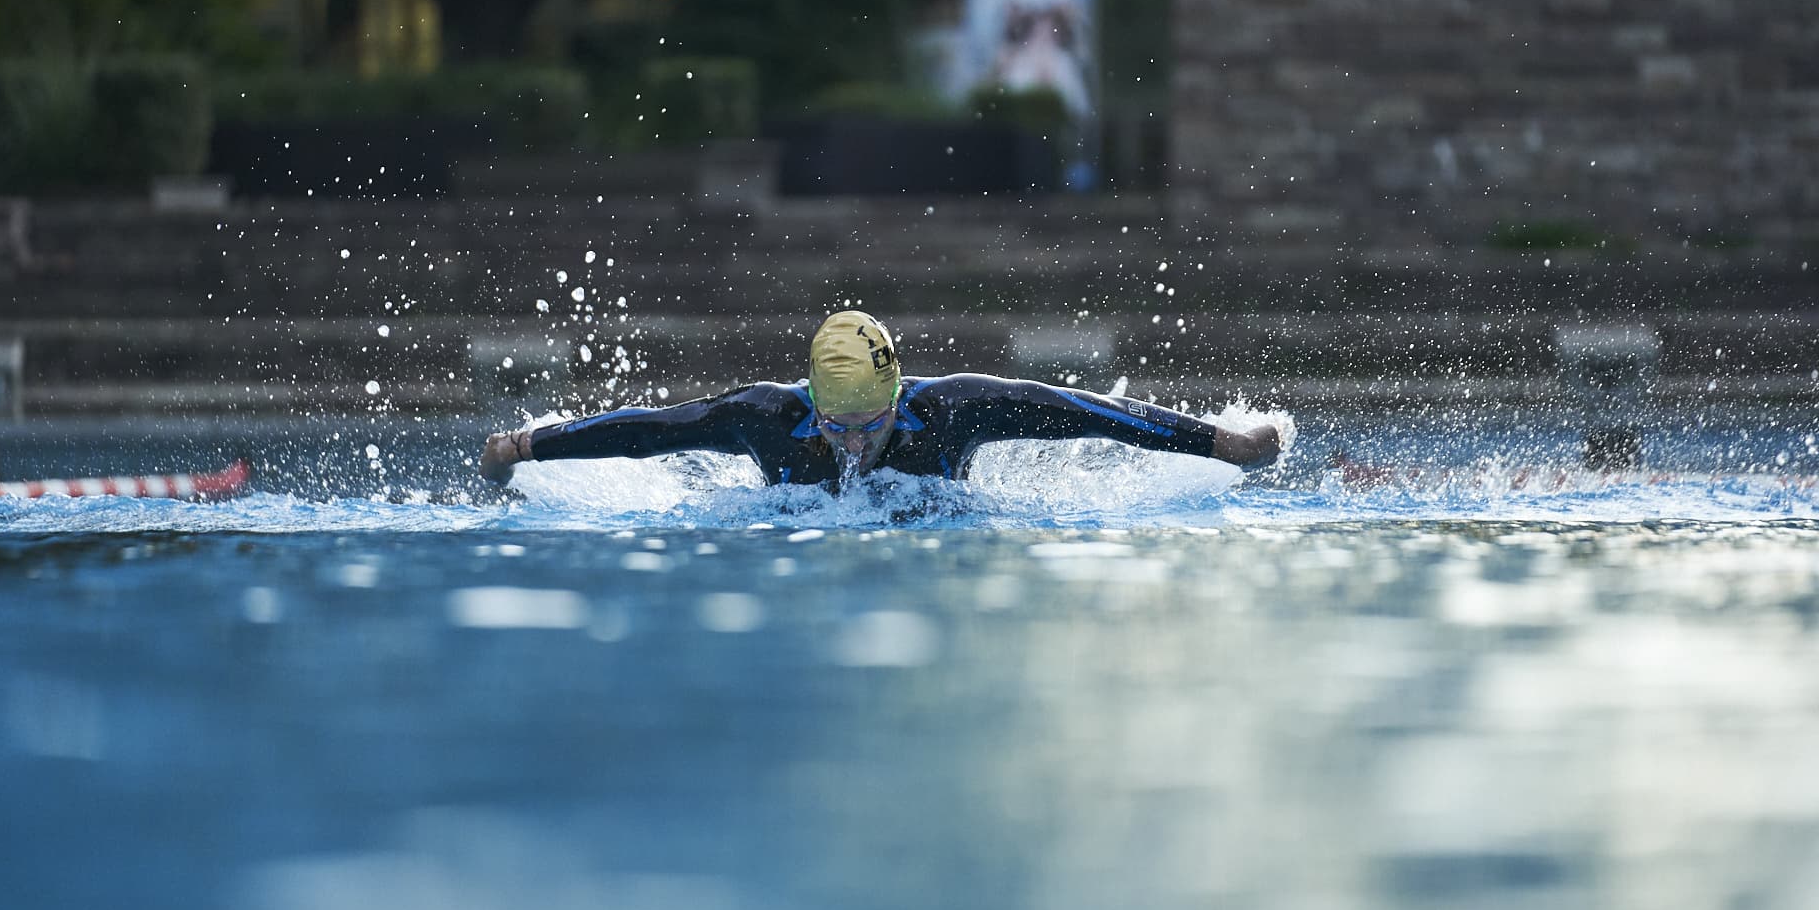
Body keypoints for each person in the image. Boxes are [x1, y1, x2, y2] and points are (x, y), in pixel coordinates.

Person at [479, 309, 1282, 487]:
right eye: (838, 425)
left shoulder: (953, 409)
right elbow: (651, 431)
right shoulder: (768, 418)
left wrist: (1223, 442)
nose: (855, 442)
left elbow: (1086, 414)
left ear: (900, 395)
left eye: (874, 421)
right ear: (812, 406)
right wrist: (525, 447)